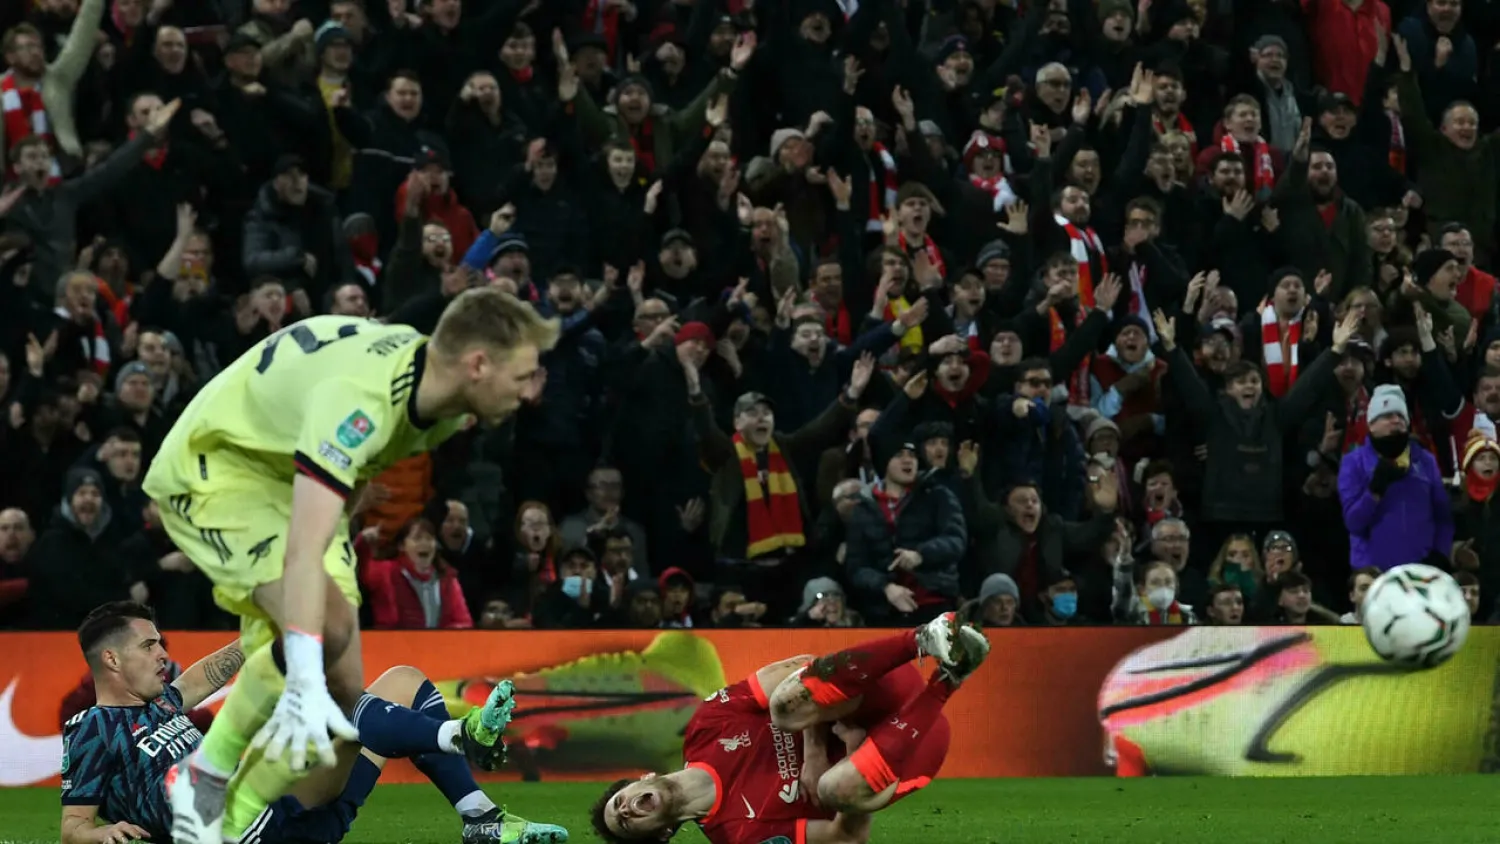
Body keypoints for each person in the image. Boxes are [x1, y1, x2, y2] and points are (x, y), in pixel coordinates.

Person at [141, 288, 560, 843]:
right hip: (218, 472)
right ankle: (208, 777)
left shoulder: (441, 406)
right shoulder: (361, 405)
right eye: (524, 375)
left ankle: (229, 813)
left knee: (343, 691)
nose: (532, 392)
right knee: (325, 631)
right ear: (478, 364)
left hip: (285, 473)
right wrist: (302, 668)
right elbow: (302, 550)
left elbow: (353, 475)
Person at [59, 601, 566, 844]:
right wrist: (100, 835)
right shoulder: (92, 727)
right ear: (111, 660)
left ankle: (481, 818)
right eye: (149, 645)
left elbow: (210, 671)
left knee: (404, 681)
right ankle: (461, 735)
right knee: (329, 703)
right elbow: (72, 826)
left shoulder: (165, 701)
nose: (162, 654)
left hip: (292, 815)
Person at [590, 613, 990, 843]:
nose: (626, 809)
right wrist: (852, 750)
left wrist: (814, 747)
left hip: (877, 691)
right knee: (834, 790)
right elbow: (845, 838)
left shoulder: (706, 726)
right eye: (625, 821)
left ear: (643, 778)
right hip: (909, 748)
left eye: (620, 801)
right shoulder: (739, 835)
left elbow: (801, 666)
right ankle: (949, 679)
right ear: (662, 834)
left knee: (783, 709)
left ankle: (923, 638)